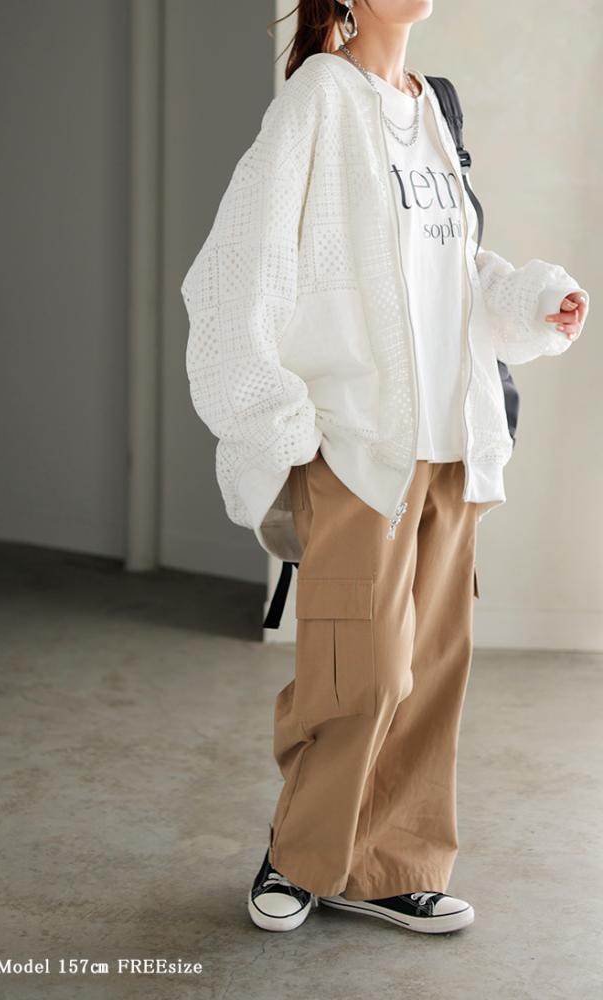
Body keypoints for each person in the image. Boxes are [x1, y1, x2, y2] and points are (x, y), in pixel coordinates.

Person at [180, 0, 589, 935]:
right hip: (360, 448)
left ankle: (394, 866)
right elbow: (238, 270)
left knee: (433, 673)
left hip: (451, 444)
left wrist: (531, 302)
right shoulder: (318, 100)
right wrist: (282, 422)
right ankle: (298, 858)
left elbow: (451, 271)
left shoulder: (434, 107)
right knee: (356, 675)